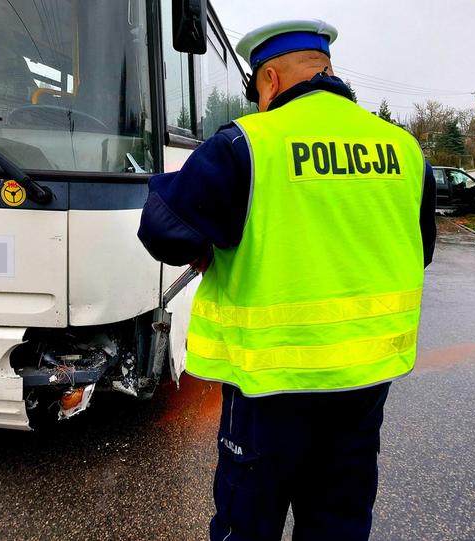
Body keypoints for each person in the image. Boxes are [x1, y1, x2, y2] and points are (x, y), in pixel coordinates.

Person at [138, 19, 436, 541]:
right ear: (326, 69)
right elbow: (421, 249)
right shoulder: (404, 149)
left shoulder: (247, 144)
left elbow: (164, 231)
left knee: (246, 526)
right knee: (339, 523)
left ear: (269, 80)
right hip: (362, 383)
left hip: (269, 386)